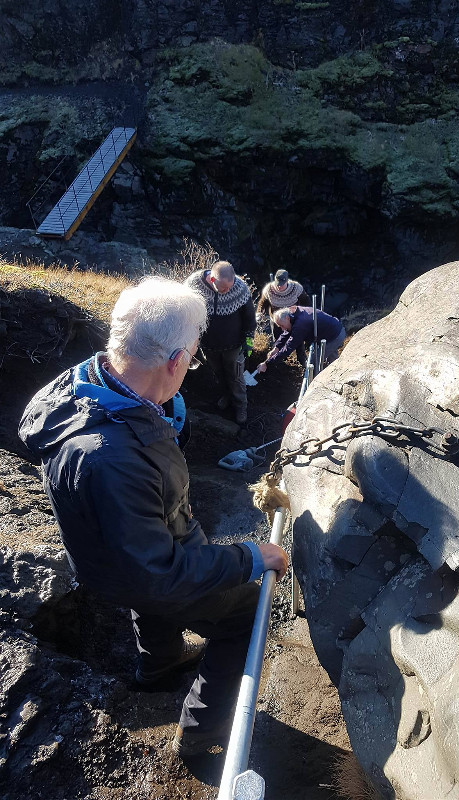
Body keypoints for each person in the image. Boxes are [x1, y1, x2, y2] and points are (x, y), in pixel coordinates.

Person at [18, 276, 288, 758]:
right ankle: (201, 732)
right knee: (246, 614)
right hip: (143, 572)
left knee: (145, 583)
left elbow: (138, 552)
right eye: (193, 356)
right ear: (176, 361)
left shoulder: (86, 387)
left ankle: (158, 665)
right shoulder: (112, 460)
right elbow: (158, 573)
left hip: (107, 566)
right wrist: (250, 557)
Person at [185, 260, 256, 425]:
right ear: (212, 280)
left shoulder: (239, 288)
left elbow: (249, 318)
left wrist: (248, 341)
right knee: (218, 373)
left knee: (236, 375)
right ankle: (226, 396)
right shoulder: (193, 285)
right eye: (224, 288)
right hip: (208, 345)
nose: (228, 291)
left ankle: (240, 406)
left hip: (234, 345)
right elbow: (186, 312)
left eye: (230, 286)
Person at [256, 306, 346, 373]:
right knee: (332, 361)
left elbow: (289, 348)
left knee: (313, 364)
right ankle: (337, 374)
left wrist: (267, 363)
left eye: (282, 325)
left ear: (287, 318)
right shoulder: (294, 313)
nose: (282, 329)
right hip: (333, 331)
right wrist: (276, 348)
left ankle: (315, 387)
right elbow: (287, 332)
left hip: (335, 336)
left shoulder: (301, 324)